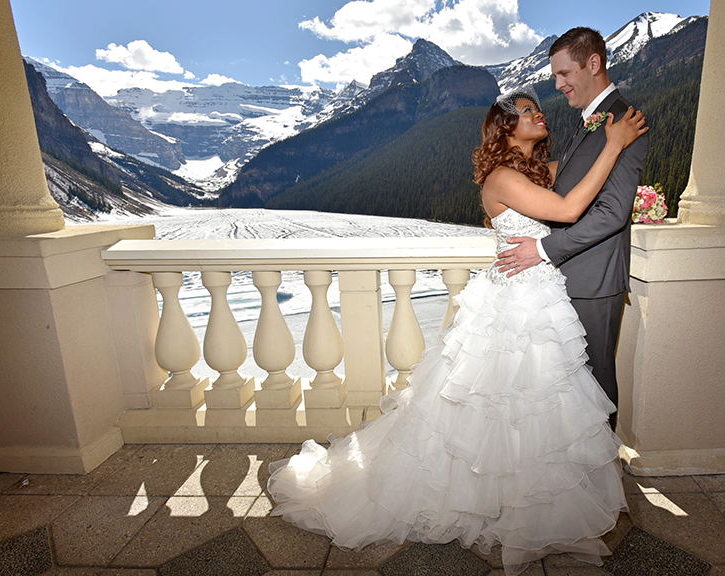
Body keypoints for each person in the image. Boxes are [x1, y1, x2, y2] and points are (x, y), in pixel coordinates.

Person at [267, 86, 647, 575]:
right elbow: (571, 209)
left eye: (537, 108)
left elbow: (583, 176)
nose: (539, 114)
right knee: (501, 402)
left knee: (532, 402)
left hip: (540, 295)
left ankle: (522, 499)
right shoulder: (503, 176)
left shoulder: (536, 170)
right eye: (527, 111)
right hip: (515, 302)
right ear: (506, 129)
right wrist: (613, 143)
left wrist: (628, 168)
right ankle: (489, 499)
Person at [495, 28, 650, 432]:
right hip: (561, 279)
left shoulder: (623, 121)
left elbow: (612, 213)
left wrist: (543, 249)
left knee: (595, 385)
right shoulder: (590, 122)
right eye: (555, 76)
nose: (558, 84)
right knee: (569, 388)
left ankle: (603, 468)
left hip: (593, 280)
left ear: (593, 64)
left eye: (564, 74)